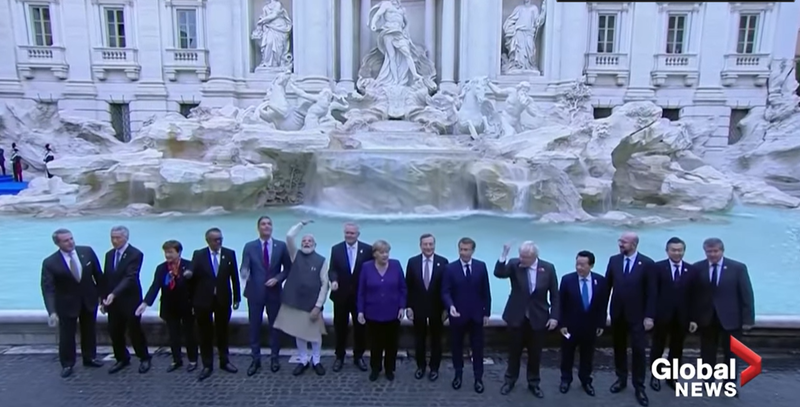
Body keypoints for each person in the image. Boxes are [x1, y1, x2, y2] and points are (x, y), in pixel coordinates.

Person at [689, 238, 755, 393]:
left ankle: (729, 384)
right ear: (705, 251)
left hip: (731, 319)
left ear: (722, 251)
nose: (712, 254)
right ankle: (708, 380)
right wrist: (692, 317)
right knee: (707, 352)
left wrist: (748, 320)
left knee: (731, 354)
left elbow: (746, 294)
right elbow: (693, 295)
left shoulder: (737, 268)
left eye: (715, 251)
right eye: (709, 251)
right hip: (706, 318)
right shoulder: (697, 268)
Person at [495, 241, 559, 398]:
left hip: (538, 318)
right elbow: (499, 273)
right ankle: (510, 380)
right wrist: (504, 255)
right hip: (517, 316)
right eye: (521, 256)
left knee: (535, 354)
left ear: (535, 257)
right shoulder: (515, 264)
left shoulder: (548, 268)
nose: (522, 259)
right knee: (514, 352)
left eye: (526, 257)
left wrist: (554, 316)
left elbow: (555, 294)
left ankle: (534, 383)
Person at [40, 228, 105, 378]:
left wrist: (103, 297)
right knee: (67, 335)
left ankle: (90, 358)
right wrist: (52, 311)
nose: (70, 242)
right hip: (66, 305)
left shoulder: (87, 252)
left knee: (89, 330)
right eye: (65, 240)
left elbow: (99, 276)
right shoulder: (50, 262)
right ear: (57, 243)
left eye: (71, 239)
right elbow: (48, 288)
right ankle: (68, 363)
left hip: (89, 300)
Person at [605, 232, 657, 407]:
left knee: (639, 351)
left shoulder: (648, 264)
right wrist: (603, 313)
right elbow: (607, 288)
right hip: (618, 314)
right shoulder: (614, 261)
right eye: (620, 241)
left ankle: (639, 386)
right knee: (618, 347)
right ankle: (621, 379)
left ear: (634, 244)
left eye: (624, 242)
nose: (620, 244)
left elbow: (652, 293)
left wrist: (649, 316)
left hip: (638, 316)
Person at [272, 220, 329, 376]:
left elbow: (325, 284)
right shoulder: (294, 255)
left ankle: (316, 361)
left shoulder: (322, 261)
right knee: (299, 333)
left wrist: (318, 306)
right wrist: (301, 224)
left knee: (315, 335)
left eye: (309, 241)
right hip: (295, 302)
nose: (306, 243)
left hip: (312, 304)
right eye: (304, 241)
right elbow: (290, 236)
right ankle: (303, 360)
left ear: (315, 245)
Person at [240, 216, 292, 376]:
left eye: (269, 224)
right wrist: (244, 273)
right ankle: (255, 359)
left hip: (274, 293)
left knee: (275, 327)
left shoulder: (281, 246)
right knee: (254, 327)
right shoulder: (249, 246)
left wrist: (277, 279)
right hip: (255, 293)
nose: (266, 226)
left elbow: (288, 269)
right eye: (263, 224)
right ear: (258, 228)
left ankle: (274, 357)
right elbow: (244, 266)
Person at [137, 240, 198, 372]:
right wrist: (145, 303)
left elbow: (196, 286)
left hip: (187, 306)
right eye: (166, 252)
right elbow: (155, 286)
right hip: (170, 306)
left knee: (189, 334)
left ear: (179, 252)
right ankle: (176, 360)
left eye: (170, 252)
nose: (168, 255)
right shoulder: (161, 268)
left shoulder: (189, 265)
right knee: (173, 335)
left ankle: (193, 360)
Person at [190, 227, 241, 381]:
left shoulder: (229, 254)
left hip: (223, 299)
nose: (218, 242)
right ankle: (207, 365)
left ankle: (224, 361)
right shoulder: (199, 255)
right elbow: (193, 279)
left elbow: (234, 277)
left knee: (222, 332)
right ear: (208, 241)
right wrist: (192, 301)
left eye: (220, 239)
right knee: (205, 334)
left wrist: (237, 297)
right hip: (203, 301)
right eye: (215, 239)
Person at [442, 237, 491, 394]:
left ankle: (478, 378)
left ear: (472, 251)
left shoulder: (481, 266)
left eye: (466, 249)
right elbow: (445, 291)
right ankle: (458, 375)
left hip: (476, 316)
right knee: (456, 347)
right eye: (461, 249)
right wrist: (450, 307)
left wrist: (486, 313)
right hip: (458, 316)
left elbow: (486, 291)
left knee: (477, 349)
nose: (463, 252)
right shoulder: (450, 268)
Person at [558, 250, 609, 396]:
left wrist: (600, 324)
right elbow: (561, 304)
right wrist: (562, 324)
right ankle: (566, 379)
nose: (579, 267)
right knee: (567, 354)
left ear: (591, 265)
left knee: (587, 356)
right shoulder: (567, 280)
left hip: (590, 327)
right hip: (570, 328)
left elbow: (602, 305)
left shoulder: (600, 281)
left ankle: (586, 380)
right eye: (577, 264)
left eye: (583, 265)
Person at [102, 226, 151, 374]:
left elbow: (130, 277)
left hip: (130, 299)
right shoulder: (109, 255)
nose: (114, 241)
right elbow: (107, 277)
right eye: (112, 238)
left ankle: (144, 357)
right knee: (114, 331)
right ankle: (121, 358)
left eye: (118, 238)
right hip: (113, 302)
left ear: (126, 238)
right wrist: (104, 299)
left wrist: (114, 294)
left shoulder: (135, 254)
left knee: (134, 330)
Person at [649, 237, 697, 391]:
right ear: (667, 251)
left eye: (680, 250)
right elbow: (651, 293)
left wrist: (693, 319)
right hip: (662, 316)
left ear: (684, 251)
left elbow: (694, 296)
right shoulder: (657, 268)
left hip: (682, 317)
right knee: (658, 347)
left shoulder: (691, 270)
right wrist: (649, 315)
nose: (677, 253)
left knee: (677, 348)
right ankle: (655, 376)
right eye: (673, 250)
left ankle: (672, 377)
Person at [357, 240, 407, 382]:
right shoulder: (366, 267)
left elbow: (403, 288)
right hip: (373, 313)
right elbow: (361, 291)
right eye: (381, 252)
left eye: (387, 252)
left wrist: (402, 306)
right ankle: (375, 368)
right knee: (375, 344)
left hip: (392, 313)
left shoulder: (396, 265)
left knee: (392, 344)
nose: (385, 255)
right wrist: (360, 311)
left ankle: (389, 369)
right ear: (374, 254)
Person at [329, 222, 373, 372]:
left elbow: (371, 271)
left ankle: (358, 356)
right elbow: (332, 269)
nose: (349, 235)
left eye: (352, 233)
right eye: (347, 233)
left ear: (358, 235)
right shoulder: (336, 249)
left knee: (360, 327)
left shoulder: (367, 250)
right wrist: (334, 280)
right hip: (341, 296)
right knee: (340, 327)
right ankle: (339, 356)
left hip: (360, 297)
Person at [405, 233, 449, 381]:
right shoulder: (412, 262)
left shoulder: (443, 262)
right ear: (420, 245)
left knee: (436, 340)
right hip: (418, 308)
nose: (428, 247)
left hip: (437, 309)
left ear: (434, 245)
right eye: (425, 244)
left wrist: (446, 309)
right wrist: (408, 307)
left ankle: (434, 368)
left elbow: (446, 288)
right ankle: (421, 366)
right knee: (419, 339)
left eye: (431, 244)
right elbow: (408, 287)